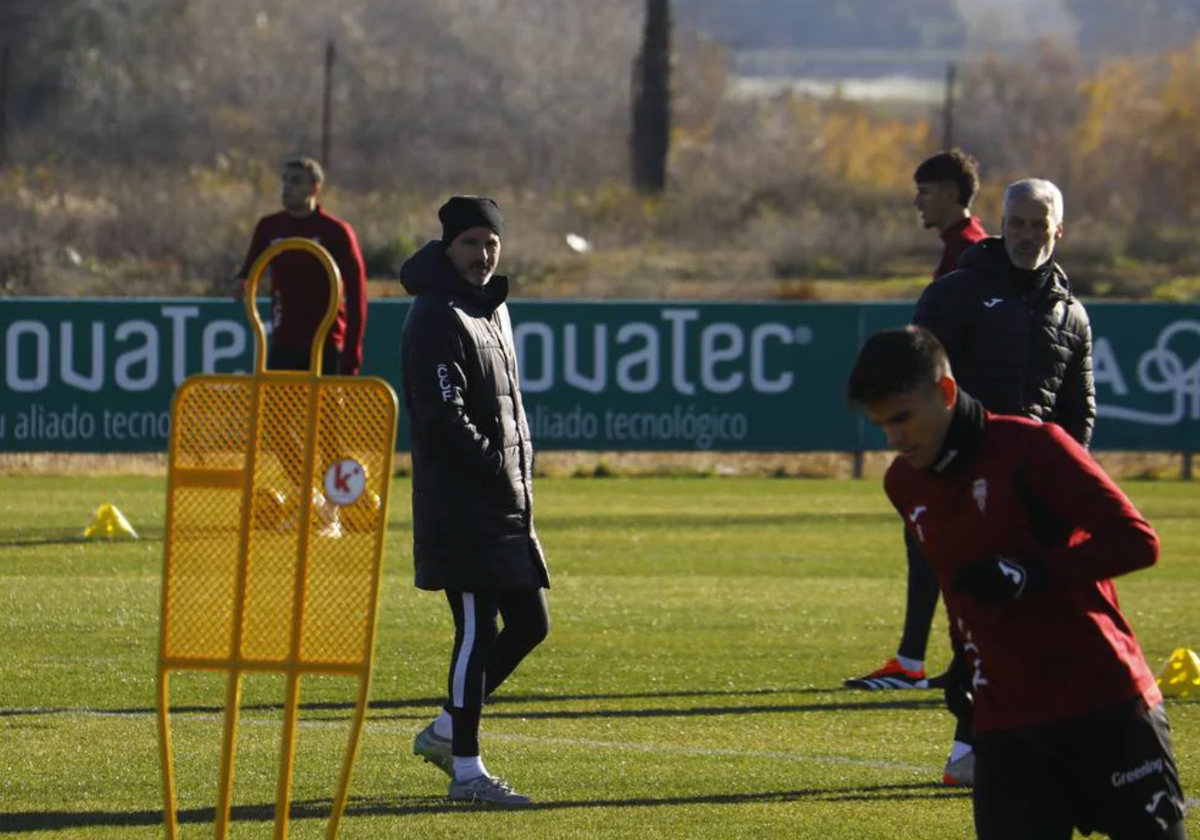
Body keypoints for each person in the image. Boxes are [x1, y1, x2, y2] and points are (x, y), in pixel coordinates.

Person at [847, 325, 1187, 840]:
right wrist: (963, 661)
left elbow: (1137, 540)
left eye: (902, 419)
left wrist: (1033, 574)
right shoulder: (904, 483)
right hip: (1007, 723)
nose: (893, 439)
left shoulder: (1033, 447)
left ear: (944, 392)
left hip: (1105, 704)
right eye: (881, 425)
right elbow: (957, 584)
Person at [848, 176, 1095, 787]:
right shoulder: (957, 293)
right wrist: (943, 460)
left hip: (1034, 494)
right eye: (1018, 223)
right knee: (982, 621)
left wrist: (1069, 482)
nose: (1028, 236)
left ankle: (986, 748)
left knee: (1027, 621)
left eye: (1040, 225)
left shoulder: (1071, 312)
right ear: (1001, 223)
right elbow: (919, 377)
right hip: (964, 482)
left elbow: (1076, 409)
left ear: (1058, 231)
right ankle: (975, 744)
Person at [400, 196, 549, 807]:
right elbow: (442, 419)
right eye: (470, 243)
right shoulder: (435, 314)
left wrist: (516, 478)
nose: (483, 254)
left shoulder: (492, 309)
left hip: (504, 504)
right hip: (462, 507)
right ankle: (467, 771)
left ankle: (443, 731)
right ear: (447, 247)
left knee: (531, 624)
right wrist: (497, 471)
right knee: (475, 632)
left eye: (491, 242)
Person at [846, 150, 989, 693]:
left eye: (925, 190)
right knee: (927, 533)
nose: (917, 200)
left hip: (956, 423)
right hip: (950, 417)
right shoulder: (960, 251)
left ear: (953, 193)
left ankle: (938, 661)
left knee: (938, 534)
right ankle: (922, 659)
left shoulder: (972, 254)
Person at [236, 155, 367, 376]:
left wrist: (352, 351)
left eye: (296, 181)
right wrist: (241, 284)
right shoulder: (269, 227)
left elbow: (357, 294)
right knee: (279, 411)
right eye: (285, 180)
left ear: (315, 187)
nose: (287, 187)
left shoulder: (335, 231)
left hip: (325, 343)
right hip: (283, 342)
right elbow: (247, 273)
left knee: (324, 411)